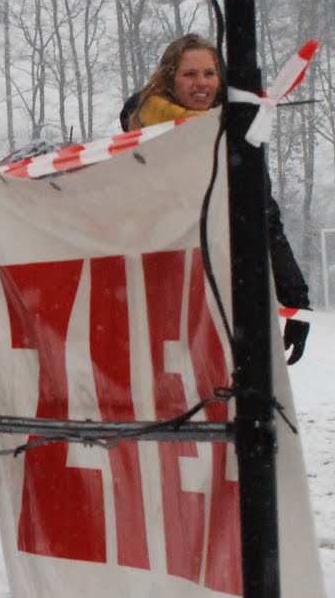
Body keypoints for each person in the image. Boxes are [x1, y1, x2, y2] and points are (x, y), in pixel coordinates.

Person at [122, 34, 314, 363]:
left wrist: (296, 299)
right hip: (160, 296)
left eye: (209, 73)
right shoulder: (143, 135)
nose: (201, 83)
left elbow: (264, 219)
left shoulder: (237, 136)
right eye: (190, 74)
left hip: (227, 295)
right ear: (170, 79)